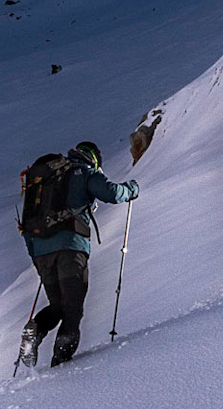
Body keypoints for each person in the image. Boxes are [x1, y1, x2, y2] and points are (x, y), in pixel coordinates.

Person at [17, 140, 138, 368]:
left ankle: (35, 330)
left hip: (39, 251)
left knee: (58, 305)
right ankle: (60, 365)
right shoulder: (84, 172)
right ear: (94, 159)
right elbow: (111, 193)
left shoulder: (48, 177)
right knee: (72, 310)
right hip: (71, 248)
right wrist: (131, 189)